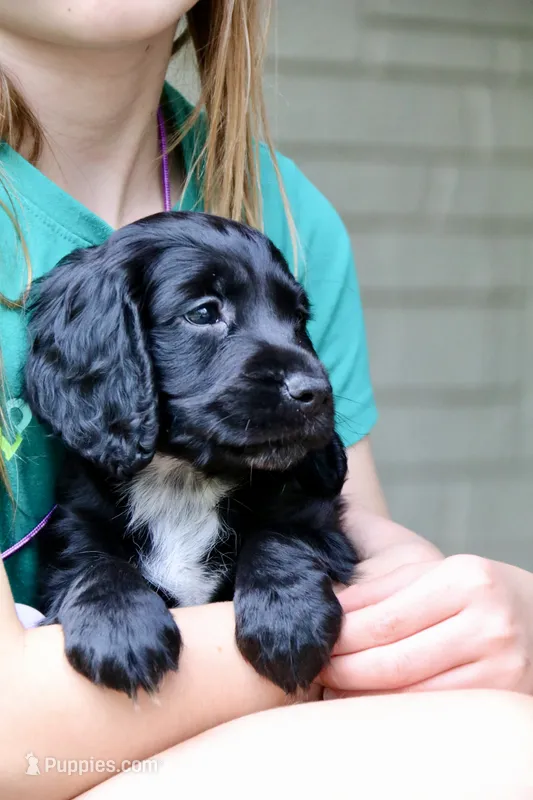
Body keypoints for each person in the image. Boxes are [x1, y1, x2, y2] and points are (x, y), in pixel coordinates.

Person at [0, 2, 532, 798]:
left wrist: (477, 618)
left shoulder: (288, 211)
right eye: (206, 314)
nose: (293, 362)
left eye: (290, 321)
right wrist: (353, 649)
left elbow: (341, 521)